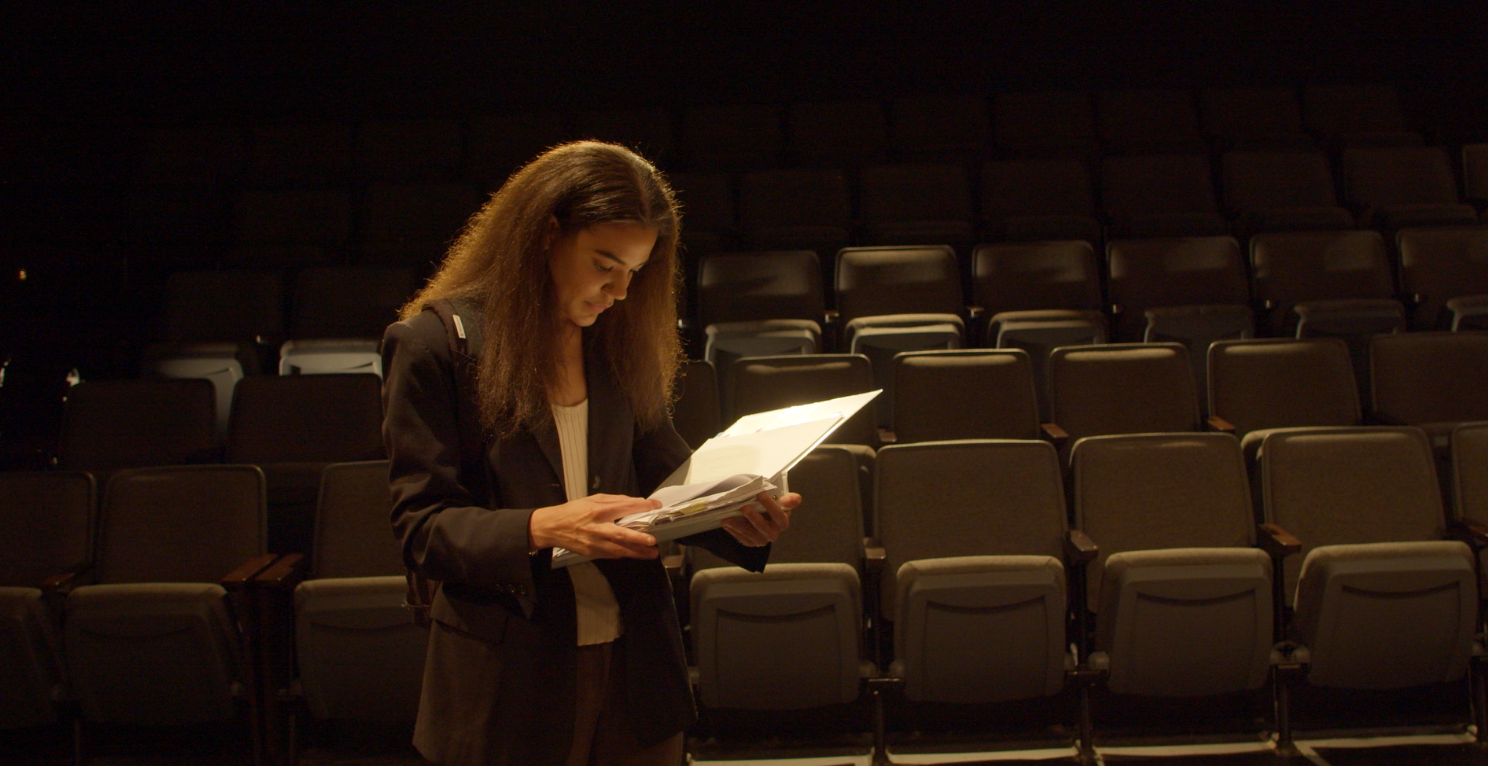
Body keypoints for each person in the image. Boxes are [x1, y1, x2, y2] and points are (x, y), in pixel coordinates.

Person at [381, 140, 799, 766]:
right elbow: (423, 529)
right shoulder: (436, 343)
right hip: (510, 670)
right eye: (605, 264)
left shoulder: (614, 342)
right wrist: (545, 528)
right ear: (546, 233)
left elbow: (667, 477)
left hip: (636, 660)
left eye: (635, 270)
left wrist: (735, 515)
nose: (621, 291)